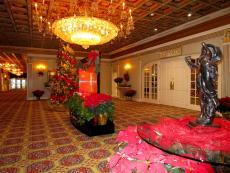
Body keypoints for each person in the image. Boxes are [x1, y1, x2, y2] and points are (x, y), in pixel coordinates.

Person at [185, 42, 221, 125]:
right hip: (200, 84)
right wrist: (189, 62)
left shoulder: (207, 62)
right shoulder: (203, 62)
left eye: (205, 51)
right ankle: (203, 115)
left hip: (206, 86)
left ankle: (208, 118)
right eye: (203, 51)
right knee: (202, 101)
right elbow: (196, 68)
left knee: (208, 101)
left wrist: (213, 95)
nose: (203, 53)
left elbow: (207, 80)